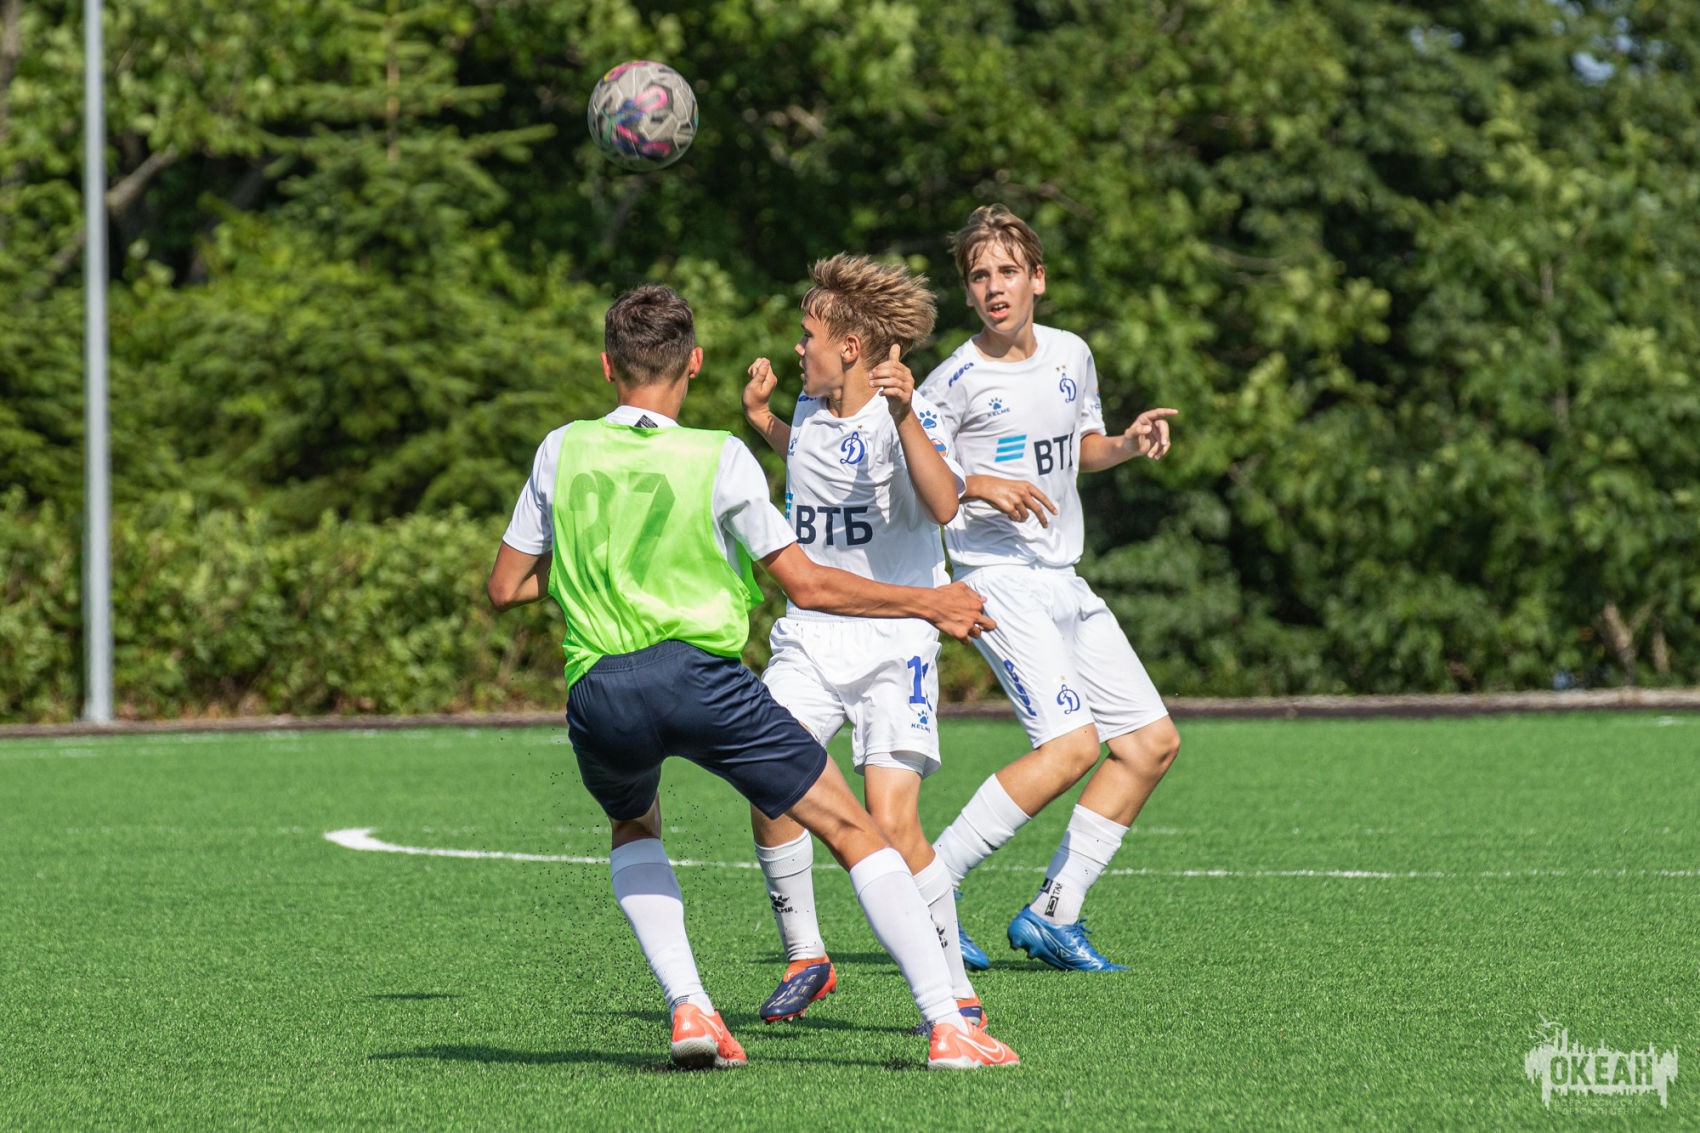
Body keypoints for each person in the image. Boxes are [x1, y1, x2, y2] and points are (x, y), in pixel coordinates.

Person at [485, 284, 1019, 1071]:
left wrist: (589, 574)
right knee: (854, 827)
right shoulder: (720, 455)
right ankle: (949, 1023)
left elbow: (505, 587)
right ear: (695, 363)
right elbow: (806, 582)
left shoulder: (560, 448)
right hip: (701, 680)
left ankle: (691, 1006)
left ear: (606, 366)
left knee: (635, 826)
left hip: (599, 691)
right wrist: (929, 601)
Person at [915, 205, 1181, 972]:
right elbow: (918, 481)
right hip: (995, 579)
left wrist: (1126, 443)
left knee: (1149, 745)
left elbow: (1080, 446)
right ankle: (928, 892)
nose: (994, 287)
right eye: (979, 276)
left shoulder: (1072, 353)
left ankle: (1054, 912)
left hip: (1063, 575)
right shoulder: (951, 381)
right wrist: (978, 483)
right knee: (1071, 748)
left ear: (1037, 278)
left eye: (1007, 271)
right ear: (968, 291)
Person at [738, 254, 983, 1031]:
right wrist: (763, 421)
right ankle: (806, 955)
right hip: (811, 637)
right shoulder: (810, 407)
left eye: (807, 336)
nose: (797, 347)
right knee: (768, 780)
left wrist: (906, 415)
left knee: (892, 820)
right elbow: (812, 460)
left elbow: (943, 505)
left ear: (848, 348)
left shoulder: (906, 412)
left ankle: (956, 991)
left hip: (894, 640)